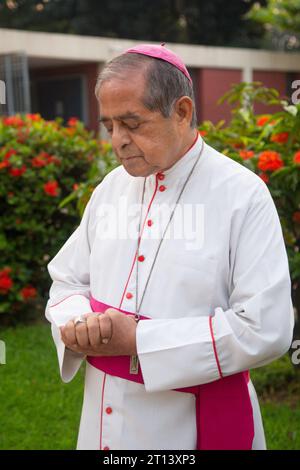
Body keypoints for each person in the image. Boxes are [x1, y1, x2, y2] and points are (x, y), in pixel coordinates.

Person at [46, 44, 294, 450]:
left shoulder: (242, 195)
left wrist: (140, 340)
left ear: (181, 111)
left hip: (191, 427)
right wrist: (79, 324)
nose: (118, 142)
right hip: (103, 419)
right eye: (110, 126)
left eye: (132, 124)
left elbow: (265, 327)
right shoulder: (111, 188)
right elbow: (67, 282)